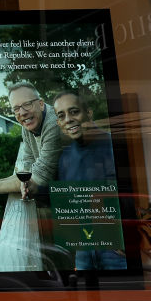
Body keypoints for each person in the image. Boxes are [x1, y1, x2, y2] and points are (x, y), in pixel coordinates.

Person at [0, 81, 63, 271]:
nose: (22, 112)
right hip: (56, 201)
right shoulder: (29, 125)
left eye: (27, 104)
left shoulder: (54, 125)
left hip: (77, 203)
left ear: (40, 104)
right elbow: (27, 173)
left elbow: (37, 178)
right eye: (16, 108)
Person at [52, 90, 126, 270]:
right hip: (83, 251)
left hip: (115, 252)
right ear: (58, 123)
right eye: (61, 116)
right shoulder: (65, 158)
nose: (68, 119)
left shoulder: (114, 147)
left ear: (89, 113)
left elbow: (131, 197)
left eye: (74, 111)